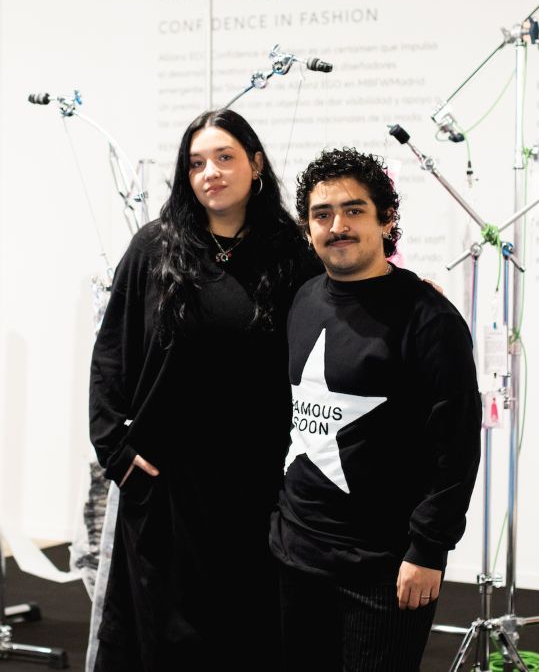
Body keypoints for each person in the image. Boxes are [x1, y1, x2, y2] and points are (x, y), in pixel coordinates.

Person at [88, 109, 318, 670]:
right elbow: (110, 355)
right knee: (166, 641)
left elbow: (344, 305)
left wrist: (410, 291)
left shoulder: (291, 253)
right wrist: (114, 449)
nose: (209, 172)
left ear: (255, 164)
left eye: (224, 157)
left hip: (255, 484)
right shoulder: (156, 247)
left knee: (247, 633)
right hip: (166, 487)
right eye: (196, 163)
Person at [270, 148, 482, 672]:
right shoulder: (303, 299)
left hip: (383, 567)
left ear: (386, 220)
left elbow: (456, 447)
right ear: (308, 229)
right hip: (296, 553)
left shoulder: (430, 319)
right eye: (322, 215)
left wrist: (428, 550)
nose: (337, 226)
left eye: (354, 210)